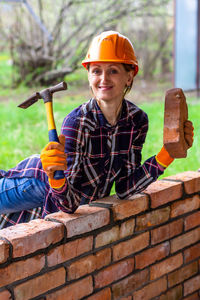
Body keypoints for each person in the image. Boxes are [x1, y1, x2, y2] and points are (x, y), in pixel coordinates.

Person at [0, 31, 194, 229]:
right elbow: (67, 204)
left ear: (129, 76)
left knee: (8, 230)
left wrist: (165, 156)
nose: (103, 79)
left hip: (61, 196)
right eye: (96, 71)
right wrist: (55, 179)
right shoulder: (78, 123)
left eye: (113, 71)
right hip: (37, 181)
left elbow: (125, 188)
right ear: (88, 76)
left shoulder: (137, 120)